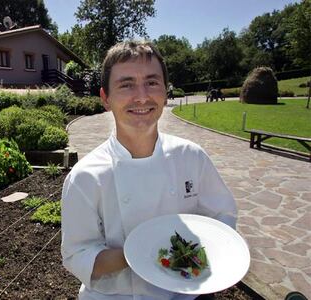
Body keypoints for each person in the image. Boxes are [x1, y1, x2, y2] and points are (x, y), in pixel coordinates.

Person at [61, 40, 237, 300]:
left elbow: (222, 217)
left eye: (152, 82)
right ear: (105, 99)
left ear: (166, 93)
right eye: (126, 84)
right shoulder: (85, 177)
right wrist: (143, 253)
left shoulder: (192, 157)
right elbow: (78, 256)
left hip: (187, 294)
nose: (141, 96)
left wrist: (192, 255)